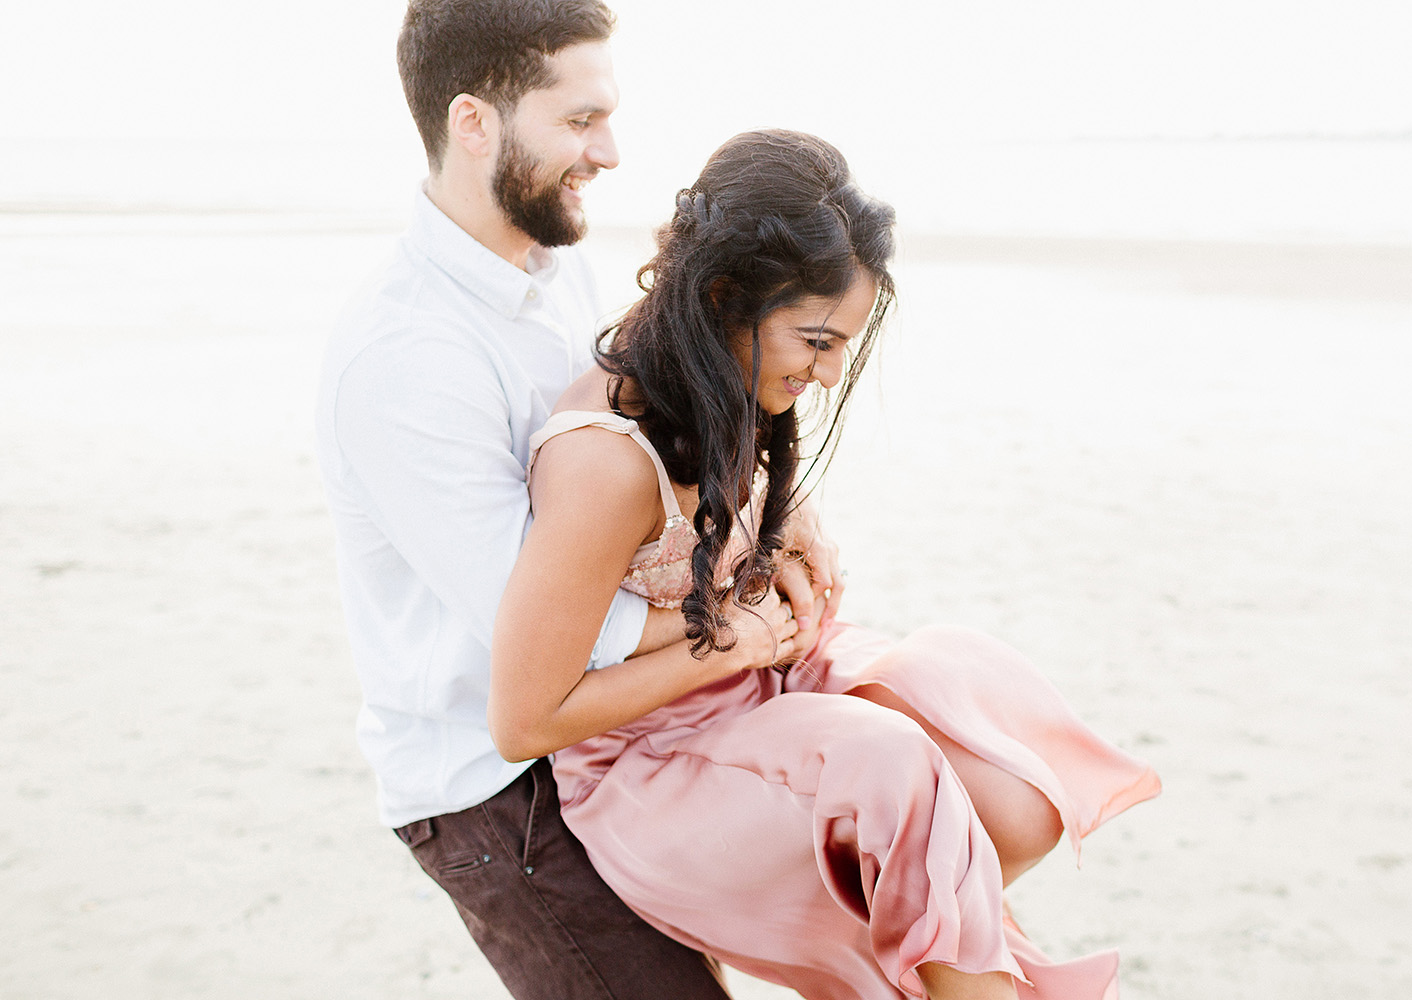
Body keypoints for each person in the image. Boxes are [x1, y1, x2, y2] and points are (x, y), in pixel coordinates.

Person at [489, 129, 1163, 1000]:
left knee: (976, 713)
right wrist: (730, 643)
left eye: (845, 343)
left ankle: (917, 942)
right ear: (725, 297)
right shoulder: (605, 464)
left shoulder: (717, 377)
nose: (833, 372)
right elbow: (527, 721)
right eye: (816, 341)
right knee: (889, 761)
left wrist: (782, 517)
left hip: (775, 687)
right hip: (655, 768)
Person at [316, 2, 824, 996]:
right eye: (579, 121)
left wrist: (784, 515)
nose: (612, 150)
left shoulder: (561, 271)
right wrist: (747, 624)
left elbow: (670, 436)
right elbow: (549, 625)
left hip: (617, 734)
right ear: (474, 123)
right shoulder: (404, 356)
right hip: (495, 792)